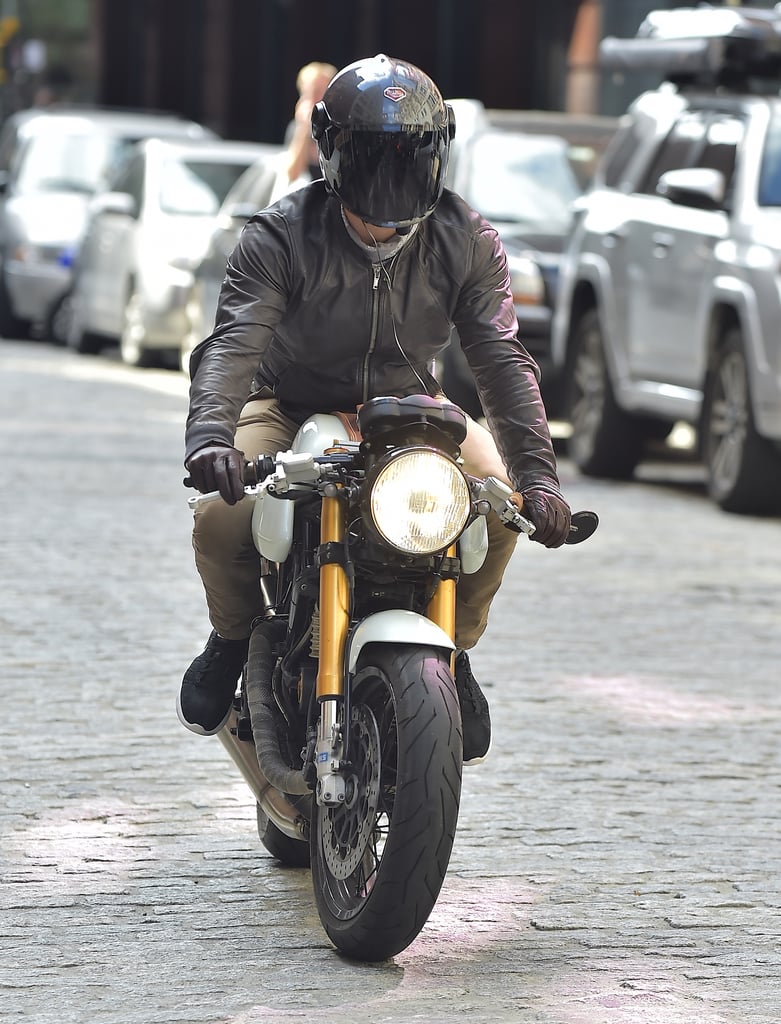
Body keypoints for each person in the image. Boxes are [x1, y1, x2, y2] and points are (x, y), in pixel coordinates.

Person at [178, 54, 572, 765]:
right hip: (285, 400)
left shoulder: (468, 239)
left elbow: (502, 359)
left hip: (413, 410)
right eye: (370, 162)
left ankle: (453, 651)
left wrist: (538, 478)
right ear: (332, 151)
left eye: (407, 160)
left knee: (498, 504)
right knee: (220, 518)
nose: (383, 205)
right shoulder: (277, 235)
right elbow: (234, 343)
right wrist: (212, 437)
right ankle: (232, 637)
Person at [269, 60, 337, 203]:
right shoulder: (297, 129)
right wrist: (304, 126)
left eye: (320, 91)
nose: (315, 98)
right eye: (309, 93)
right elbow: (293, 172)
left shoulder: (338, 128)